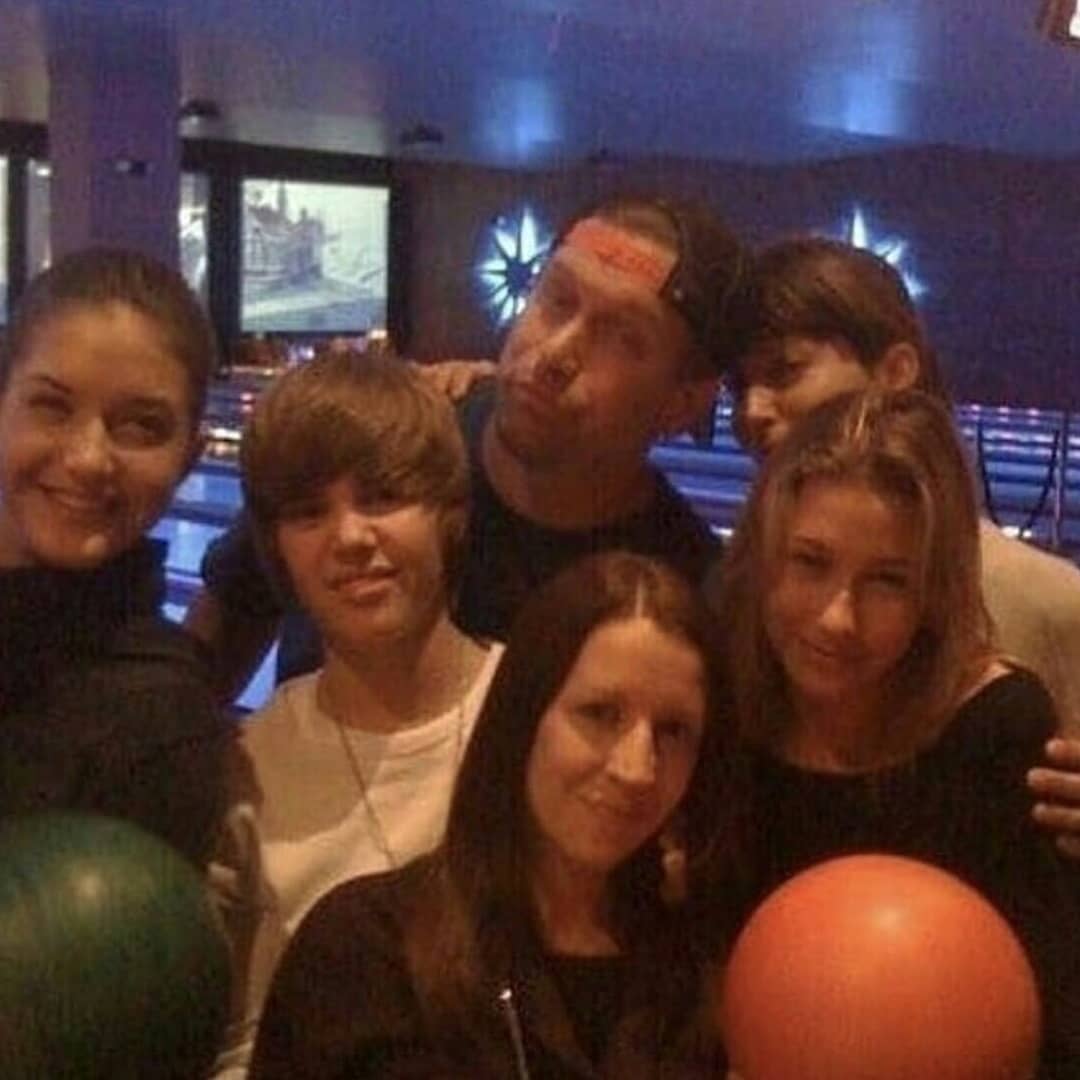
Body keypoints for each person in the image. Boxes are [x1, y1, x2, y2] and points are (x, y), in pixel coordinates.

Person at [185, 194, 753, 696]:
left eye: (623, 338)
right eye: (556, 300)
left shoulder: (691, 599)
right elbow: (209, 662)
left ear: (682, 404)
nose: (556, 352)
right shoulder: (378, 443)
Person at [249, 552, 741, 1079]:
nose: (637, 768)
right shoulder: (363, 950)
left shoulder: (703, 975)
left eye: (672, 732)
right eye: (600, 714)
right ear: (523, 719)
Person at [714, 388, 1080, 1076]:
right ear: (764, 555)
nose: (837, 619)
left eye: (886, 582)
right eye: (811, 563)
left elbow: (1053, 1021)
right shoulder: (717, 701)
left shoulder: (994, 730)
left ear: (933, 596)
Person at [210, 351, 504, 1076]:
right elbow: (241, 1044)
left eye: (382, 496)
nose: (349, 537)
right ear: (275, 547)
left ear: (447, 513)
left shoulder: (543, 710)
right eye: (309, 512)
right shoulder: (250, 763)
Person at [724, 235, 1080, 735]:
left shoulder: (1047, 603)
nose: (751, 411)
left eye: (786, 370)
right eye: (739, 388)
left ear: (895, 371)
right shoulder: (733, 586)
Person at [0, 248, 228, 867]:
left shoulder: (158, 720)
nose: (87, 458)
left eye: (141, 426)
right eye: (52, 406)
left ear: (189, 456)